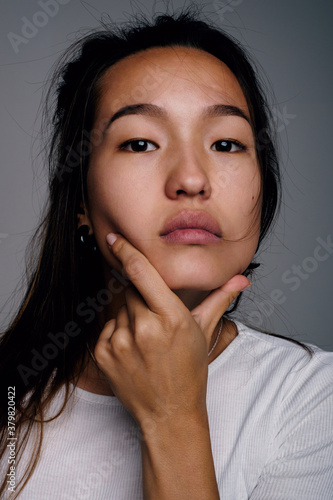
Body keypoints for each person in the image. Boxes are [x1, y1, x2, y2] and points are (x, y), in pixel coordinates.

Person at [0, 9, 332, 500]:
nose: (192, 180)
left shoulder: (311, 399)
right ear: (81, 204)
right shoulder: (11, 398)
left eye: (226, 143)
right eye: (139, 143)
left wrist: (173, 417)